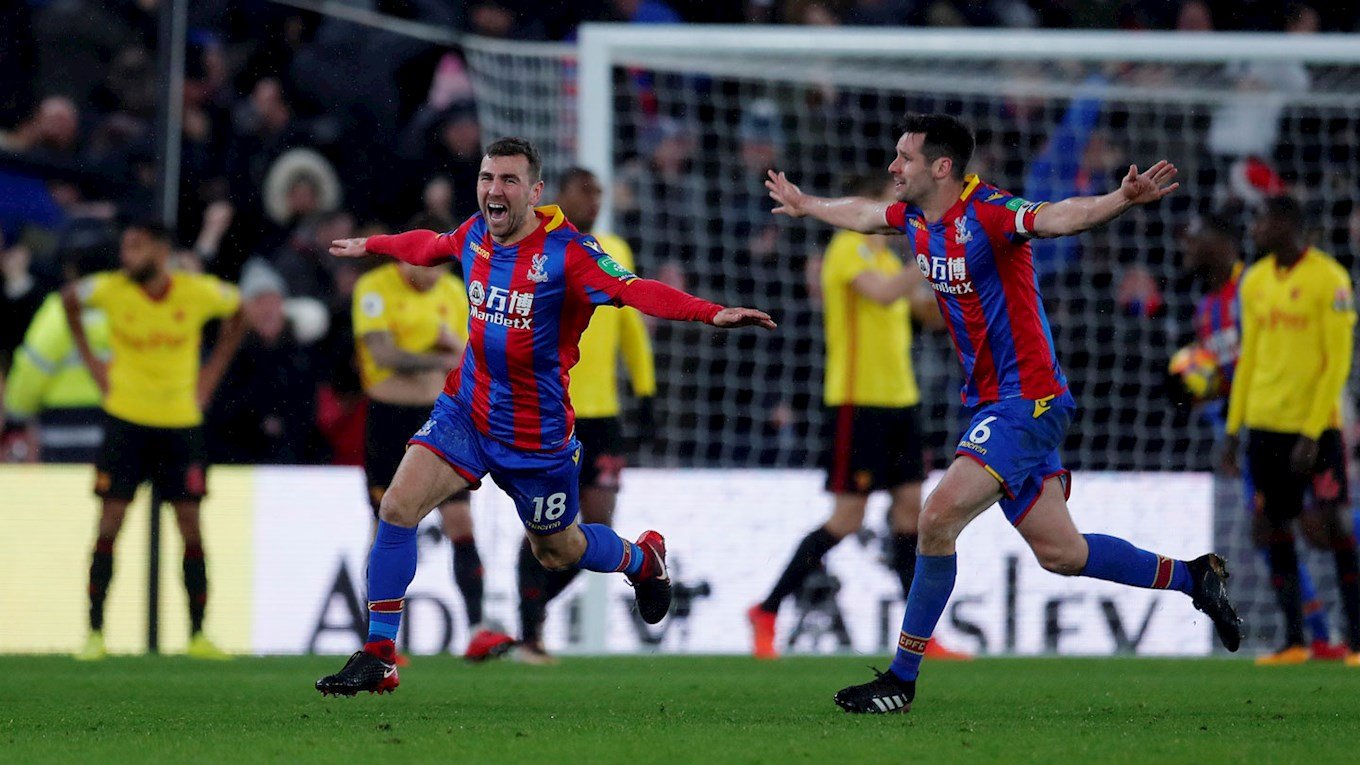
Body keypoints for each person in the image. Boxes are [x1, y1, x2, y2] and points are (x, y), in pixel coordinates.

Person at [765, 113, 1242, 714]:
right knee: (1063, 554)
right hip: (992, 403)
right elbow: (862, 214)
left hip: (1029, 400)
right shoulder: (915, 218)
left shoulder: (989, 212)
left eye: (905, 157)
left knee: (935, 517)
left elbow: (1057, 216)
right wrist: (806, 204)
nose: (893, 167)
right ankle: (1195, 576)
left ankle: (901, 680)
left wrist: (1119, 198)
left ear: (942, 167)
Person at [316, 137, 774, 695]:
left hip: (535, 436)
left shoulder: (570, 253)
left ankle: (641, 559)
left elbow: (635, 290)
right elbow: (430, 246)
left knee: (558, 550)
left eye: (508, 180)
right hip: (466, 411)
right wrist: (376, 244)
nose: (494, 190)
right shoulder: (476, 233)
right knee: (396, 506)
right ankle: (380, 655)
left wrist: (710, 313)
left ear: (534, 192)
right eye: (487, 178)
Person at [747, 174, 968, 661]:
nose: (899, 214)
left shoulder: (888, 258)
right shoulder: (847, 250)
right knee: (848, 519)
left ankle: (920, 636)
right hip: (857, 402)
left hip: (902, 401)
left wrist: (954, 276)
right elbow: (885, 294)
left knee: (912, 514)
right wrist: (931, 253)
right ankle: (766, 610)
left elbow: (924, 314)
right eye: (891, 205)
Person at [62, 217, 246, 660]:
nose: (126, 256)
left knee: (191, 526)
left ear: (161, 252)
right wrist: (93, 364)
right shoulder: (110, 289)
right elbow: (68, 299)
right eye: (125, 247)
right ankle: (94, 633)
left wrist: (211, 375)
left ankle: (198, 635)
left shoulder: (196, 292)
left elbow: (240, 309)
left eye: (136, 247)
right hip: (125, 421)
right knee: (110, 522)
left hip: (180, 425)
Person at [1179, 212, 1345, 664]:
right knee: (1272, 529)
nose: (1186, 245)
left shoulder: (1251, 288)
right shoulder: (1205, 309)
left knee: (1314, 527)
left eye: (1195, 236)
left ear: (1222, 241)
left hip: (1291, 424)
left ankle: (1319, 634)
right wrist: (1199, 391)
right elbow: (1228, 374)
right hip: (1248, 431)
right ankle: (1311, 635)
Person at [351, 213, 514, 662]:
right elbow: (382, 354)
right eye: (424, 263)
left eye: (440, 266)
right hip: (388, 420)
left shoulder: (454, 292)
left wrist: (445, 354)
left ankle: (478, 629)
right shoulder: (373, 289)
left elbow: (472, 355)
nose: (431, 274)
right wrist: (441, 353)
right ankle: (379, 642)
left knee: (461, 521)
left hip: (442, 418)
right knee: (386, 523)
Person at [514, 167, 657, 664]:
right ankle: (529, 629)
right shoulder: (536, 250)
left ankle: (530, 617)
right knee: (544, 524)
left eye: (599, 192)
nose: (595, 200)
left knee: (596, 526)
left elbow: (631, 325)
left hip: (603, 415)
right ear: (560, 196)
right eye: (585, 192)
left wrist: (646, 392)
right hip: (551, 412)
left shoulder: (614, 248)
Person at [1224, 195, 1360, 667]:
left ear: (1286, 224)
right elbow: (1248, 358)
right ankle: (1294, 640)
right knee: (1271, 528)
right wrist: (1234, 428)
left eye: (1261, 220)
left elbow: (1337, 362)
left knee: (1335, 527)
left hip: (1315, 430)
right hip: (1263, 426)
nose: (1255, 228)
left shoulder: (1331, 279)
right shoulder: (1255, 280)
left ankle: (1357, 640)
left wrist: (1312, 431)